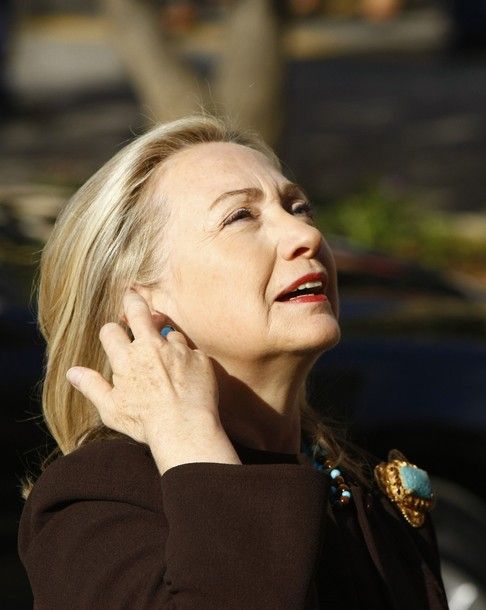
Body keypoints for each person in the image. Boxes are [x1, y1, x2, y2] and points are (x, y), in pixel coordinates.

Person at [18, 114, 449, 609]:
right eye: (240, 217)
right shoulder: (100, 500)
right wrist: (189, 439)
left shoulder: (359, 489)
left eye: (299, 207)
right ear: (136, 303)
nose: (304, 236)